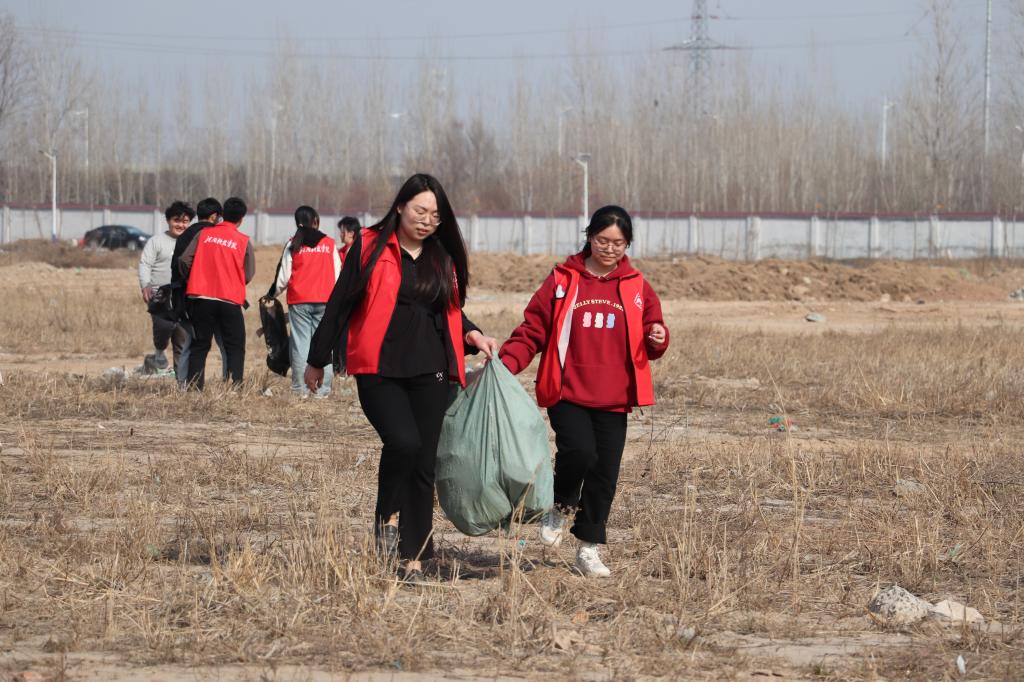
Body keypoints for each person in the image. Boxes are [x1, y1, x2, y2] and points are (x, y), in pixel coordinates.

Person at [305, 173, 498, 584]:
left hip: (432, 370)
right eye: (420, 211)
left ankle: (415, 557)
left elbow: (448, 310)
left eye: (435, 215)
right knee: (403, 443)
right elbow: (340, 304)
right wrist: (317, 359)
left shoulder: (440, 257)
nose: (427, 220)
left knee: (423, 464)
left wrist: (473, 334)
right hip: (379, 368)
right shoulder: (370, 246)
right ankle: (386, 515)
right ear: (400, 207)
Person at [499, 205, 670, 578]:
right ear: (589, 237)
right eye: (602, 240)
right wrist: (505, 365)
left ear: (628, 245)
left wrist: (658, 336)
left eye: (618, 243)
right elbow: (533, 328)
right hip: (568, 390)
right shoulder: (563, 280)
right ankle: (560, 505)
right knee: (579, 451)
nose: (609, 249)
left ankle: (588, 548)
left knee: (604, 474)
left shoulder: (637, 285)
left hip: (614, 397)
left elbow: (652, 332)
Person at [178, 197, 255, 389]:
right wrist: (235, 281)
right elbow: (249, 273)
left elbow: (184, 260)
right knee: (235, 346)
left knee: (200, 346)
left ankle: (194, 388)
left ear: (222, 215)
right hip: (230, 299)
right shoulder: (243, 241)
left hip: (201, 297)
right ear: (241, 219)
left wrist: (193, 277)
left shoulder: (204, 234)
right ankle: (234, 387)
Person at [272, 206, 341, 397]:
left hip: (299, 300)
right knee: (324, 344)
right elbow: (338, 275)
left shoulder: (293, 243)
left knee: (300, 345)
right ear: (316, 221)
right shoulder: (329, 243)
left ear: (297, 222)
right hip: (325, 300)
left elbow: (283, 277)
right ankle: (322, 391)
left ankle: (300, 389)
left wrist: (272, 295)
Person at [171, 197, 228, 386]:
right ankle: (229, 383)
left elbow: (178, 265)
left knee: (191, 343)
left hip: (186, 297)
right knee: (225, 344)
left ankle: (183, 384)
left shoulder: (185, 235)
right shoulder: (215, 235)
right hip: (217, 295)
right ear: (214, 216)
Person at [138, 200, 194, 375]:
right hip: (159, 294)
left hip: (183, 295)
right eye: (176, 220)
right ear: (168, 221)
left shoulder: (192, 242)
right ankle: (159, 352)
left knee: (182, 337)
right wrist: (145, 285)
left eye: (185, 221)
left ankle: (181, 380)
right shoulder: (156, 241)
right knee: (163, 328)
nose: (180, 225)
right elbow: (145, 264)